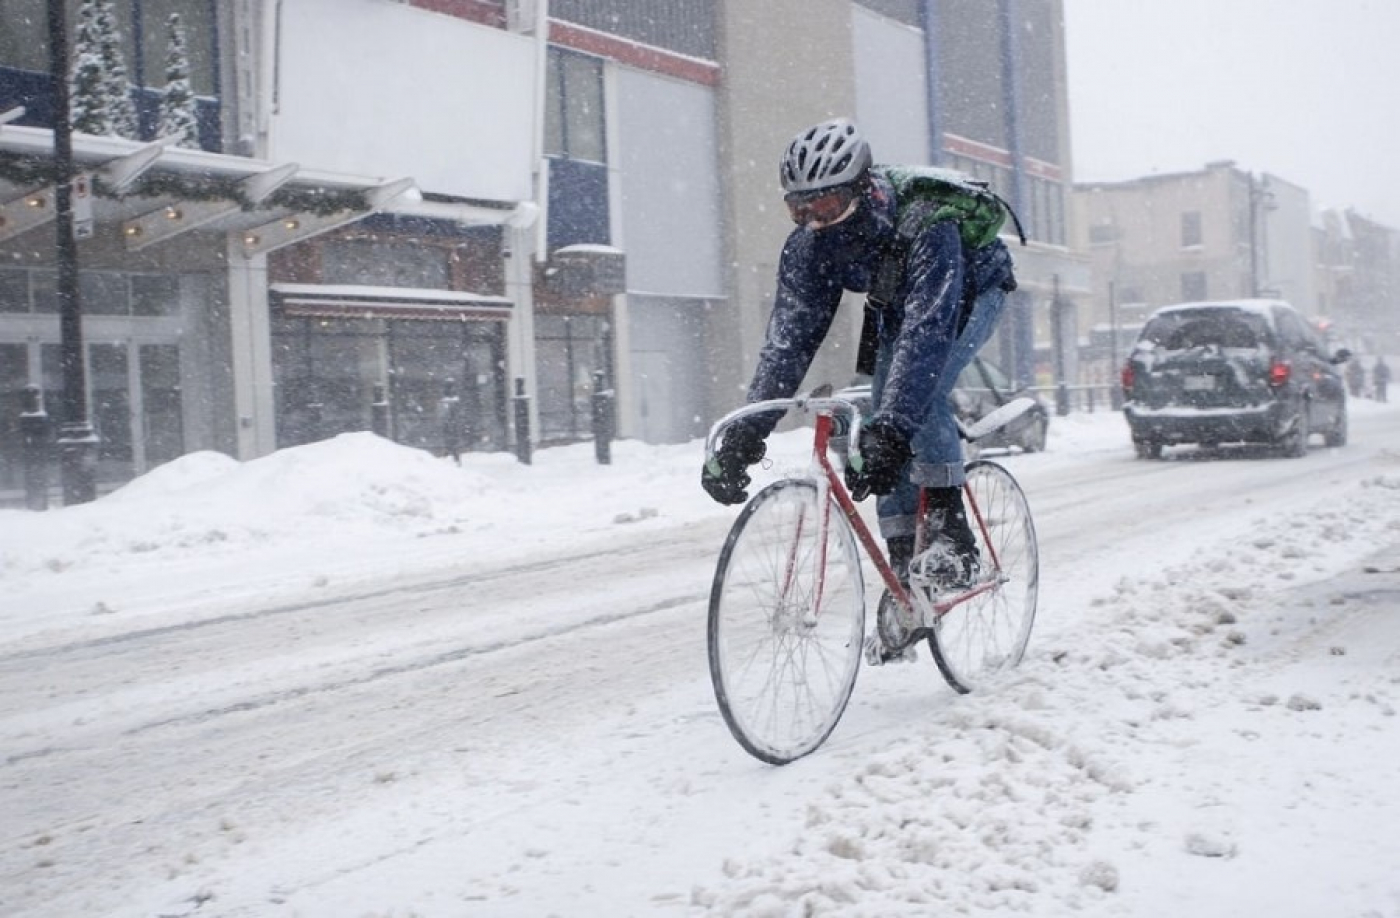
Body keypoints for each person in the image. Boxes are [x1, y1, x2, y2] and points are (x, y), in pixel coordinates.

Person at [700, 118, 1017, 649]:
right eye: (798, 210)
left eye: (824, 206)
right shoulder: (808, 249)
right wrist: (745, 435)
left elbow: (926, 336)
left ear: (862, 190)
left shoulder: (925, 225)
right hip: (901, 296)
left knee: (921, 392)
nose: (813, 222)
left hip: (971, 286)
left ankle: (951, 536)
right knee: (878, 412)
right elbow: (787, 344)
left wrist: (895, 430)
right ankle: (905, 578)